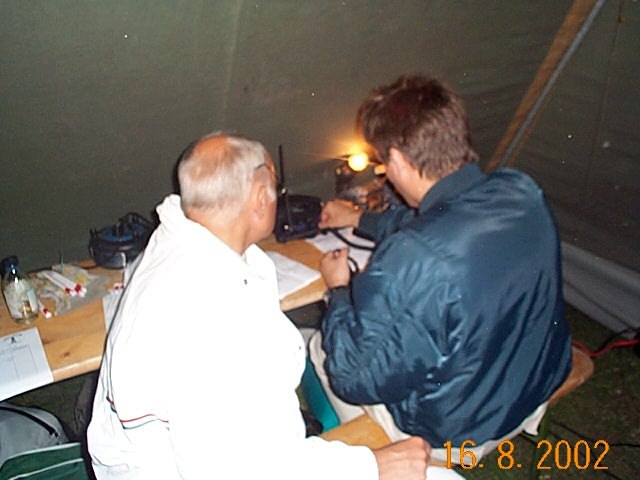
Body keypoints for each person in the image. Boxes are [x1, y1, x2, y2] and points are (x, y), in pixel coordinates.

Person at [87, 132, 433, 479]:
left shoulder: (175, 241)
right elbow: (242, 470)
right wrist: (374, 465)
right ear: (258, 199)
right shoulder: (215, 317)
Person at [309, 74, 572, 464]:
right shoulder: (519, 189)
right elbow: (443, 223)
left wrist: (339, 291)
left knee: (321, 347)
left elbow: (353, 378)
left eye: (384, 163)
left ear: (398, 160)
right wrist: (359, 219)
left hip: (463, 431)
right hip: (532, 386)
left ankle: (370, 460)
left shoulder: (412, 257)